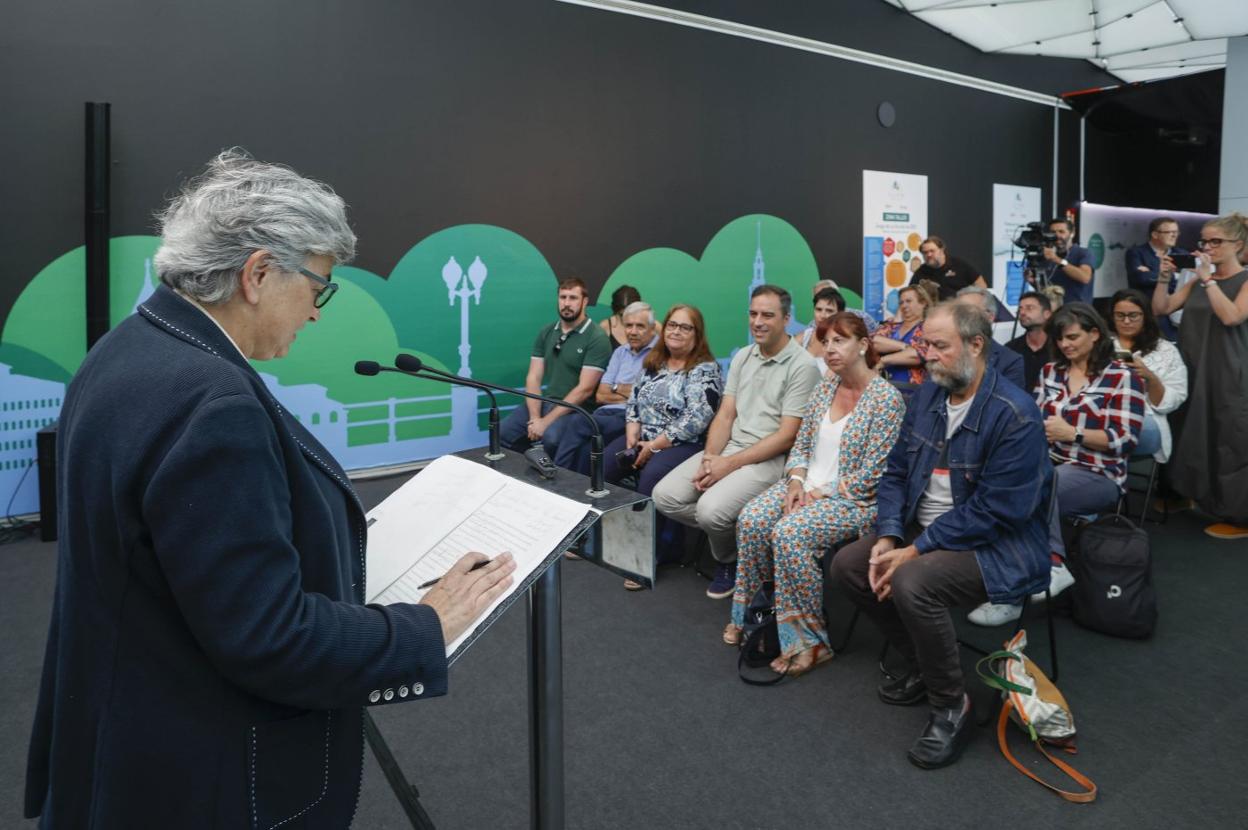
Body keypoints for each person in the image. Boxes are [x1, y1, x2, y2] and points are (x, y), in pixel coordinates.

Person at [23, 151, 517, 828]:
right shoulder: (213, 403)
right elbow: (269, 638)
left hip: (123, 737)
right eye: (320, 287)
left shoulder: (127, 349)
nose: (317, 312)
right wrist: (424, 626)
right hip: (199, 769)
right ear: (257, 273)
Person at [829, 302, 1051, 770]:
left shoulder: (1015, 414)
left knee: (913, 582)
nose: (926, 355)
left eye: (939, 346)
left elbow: (997, 512)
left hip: (997, 545)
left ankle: (953, 704)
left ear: (976, 345)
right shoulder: (929, 397)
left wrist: (915, 550)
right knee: (850, 565)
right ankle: (922, 662)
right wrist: (890, 536)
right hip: (924, 531)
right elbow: (894, 474)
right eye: (924, 344)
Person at [725, 313, 904, 676]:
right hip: (806, 486)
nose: (830, 349)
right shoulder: (826, 386)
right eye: (826, 341)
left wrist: (819, 493)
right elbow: (802, 443)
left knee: (789, 533)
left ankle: (811, 640)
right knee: (753, 519)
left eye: (841, 340)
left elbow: (874, 477)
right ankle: (758, 616)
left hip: (854, 500)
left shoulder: (886, 399)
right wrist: (795, 481)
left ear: (864, 345)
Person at [969, 303, 1144, 626]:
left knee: (1034, 487)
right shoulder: (1052, 371)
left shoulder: (1122, 377)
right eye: (1061, 339)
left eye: (1073, 337)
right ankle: (1009, 587)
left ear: (1095, 333)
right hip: (1047, 463)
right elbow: (1032, 419)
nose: (1066, 345)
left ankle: (1046, 567)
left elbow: (1125, 440)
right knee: (996, 484)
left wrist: (1073, 433)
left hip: (1098, 473)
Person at [651, 285, 822, 599]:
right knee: (664, 496)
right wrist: (711, 458)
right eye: (753, 313)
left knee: (710, 511)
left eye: (767, 315)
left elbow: (787, 436)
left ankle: (728, 560)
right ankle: (747, 541)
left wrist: (727, 465)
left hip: (769, 460)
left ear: (786, 319)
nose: (757, 321)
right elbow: (726, 414)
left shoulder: (803, 367)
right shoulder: (744, 356)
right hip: (728, 450)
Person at [606, 304, 722, 588]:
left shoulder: (705, 369)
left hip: (684, 443)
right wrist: (632, 431)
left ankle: (650, 555)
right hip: (644, 435)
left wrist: (654, 445)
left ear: (697, 334)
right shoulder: (654, 361)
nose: (677, 331)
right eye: (672, 325)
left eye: (685, 327)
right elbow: (634, 399)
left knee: (650, 478)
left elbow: (697, 418)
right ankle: (605, 539)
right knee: (605, 463)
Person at [1152, 212, 1248, 539]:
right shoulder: (1196, 279)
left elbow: (1232, 316)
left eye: (1215, 241)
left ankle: (1238, 515)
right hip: (1192, 365)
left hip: (1227, 372)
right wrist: (1165, 278)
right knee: (1188, 432)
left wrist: (1208, 280)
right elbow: (1161, 309)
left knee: (1228, 440)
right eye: (1204, 241)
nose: (1207, 247)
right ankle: (1186, 493)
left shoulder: (1243, 280)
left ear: (1238, 244)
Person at [500, 277, 613, 468]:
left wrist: (545, 422)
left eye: (573, 298)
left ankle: (551, 486)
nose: (566, 303)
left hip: (579, 411)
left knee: (551, 438)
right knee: (502, 432)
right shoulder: (547, 332)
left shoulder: (596, 337)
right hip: (547, 403)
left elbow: (584, 389)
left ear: (585, 301)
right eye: (563, 297)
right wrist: (536, 417)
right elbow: (533, 377)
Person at [564, 301, 658, 475]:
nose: (633, 331)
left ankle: (559, 478)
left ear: (652, 329)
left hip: (632, 418)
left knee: (578, 421)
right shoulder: (620, 352)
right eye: (628, 326)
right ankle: (573, 489)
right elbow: (600, 394)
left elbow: (649, 397)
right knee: (584, 449)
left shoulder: (661, 354)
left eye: (640, 326)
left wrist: (616, 388)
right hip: (605, 412)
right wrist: (631, 391)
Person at [1108, 289, 1187, 463]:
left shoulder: (1165, 350)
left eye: (1133, 315)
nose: (1126, 321)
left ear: (1145, 316)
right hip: (1102, 413)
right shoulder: (1101, 346)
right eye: (1120, 315)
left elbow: (1173, 400)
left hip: (1145, 419)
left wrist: (1150, 378)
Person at [954, 286, 1026, 391]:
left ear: (990, 317)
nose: (961, 316)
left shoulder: (1010, 361)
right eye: (957, 311)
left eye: (969, 310)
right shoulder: (941, 351)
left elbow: (1010, 404)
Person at [1126, 217, 1185, 339]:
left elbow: (1186, 281)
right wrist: (1173, 276)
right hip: (1149, 313)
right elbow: (1140, 278)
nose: (1174, 236)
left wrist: (1154, 273)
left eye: (1176, 232)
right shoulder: (1137, 253)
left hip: (1176, 313)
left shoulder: (1181, 254)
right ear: (1155, 234)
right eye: (1170, 232)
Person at [874, 283, 931, 385]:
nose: (904, 305)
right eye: (901, 302)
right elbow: (873, 341)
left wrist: (883, 360)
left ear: (923, 303)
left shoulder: (928, 327)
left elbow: (919, 355)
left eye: (908, 301)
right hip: (884, 389)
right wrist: (904, 347)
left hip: (913, 390)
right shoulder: (892, 327)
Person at [1036, 218, 1095, 306]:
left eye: (1061, 232)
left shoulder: (1083, 253)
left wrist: (1057, 260)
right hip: (1053, 309)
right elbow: (1046, 287)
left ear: (1072, 233)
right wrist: (1033, 281)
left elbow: (1085, 277)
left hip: (1076, 311)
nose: (1057, 235)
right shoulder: (1047, 256)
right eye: (1053, 232)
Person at [1005, 290, 1056, 393]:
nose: (1022, 313)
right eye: (1020, 309)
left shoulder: (1060, 346)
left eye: (1029, 308)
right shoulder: (1011, 349)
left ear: (1047, 314)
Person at [909, 236, 986, 301]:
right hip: (934, 311)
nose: (929, 254)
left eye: (932, 251)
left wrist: (975, 301)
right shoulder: (921, 272)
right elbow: (910, 293)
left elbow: (980, 283)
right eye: (925, 252)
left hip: (960, 309)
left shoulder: (958, 264)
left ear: (942, 250)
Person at [800, 286, 845, 361]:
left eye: (829, 311)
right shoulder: (804, 337)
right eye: (818, 309)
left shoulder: (846, 341)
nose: (822, 315)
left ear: (840, 314)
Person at [600, 284, 642, 349]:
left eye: (632, 314)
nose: (628, 319)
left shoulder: (652, 326)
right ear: (615, 311)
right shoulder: (605, 326)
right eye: (622, 315)